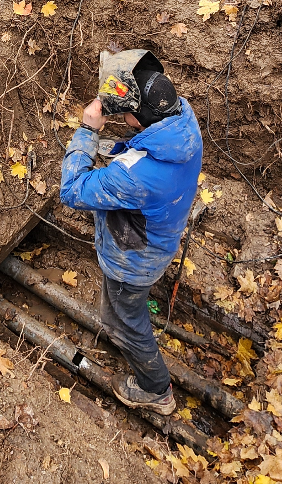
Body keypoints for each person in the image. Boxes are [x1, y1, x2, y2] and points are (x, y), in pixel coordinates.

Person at [59, 50, 203, 415]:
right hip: (161, 235)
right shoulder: (183, 117)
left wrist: (88, 130)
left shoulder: (132, 176)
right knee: (125, 310)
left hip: (133, 261)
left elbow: (72, 191)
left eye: (125, 113)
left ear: (137, 116)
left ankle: (156, 391)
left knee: (123, 322)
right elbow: (141, 151)